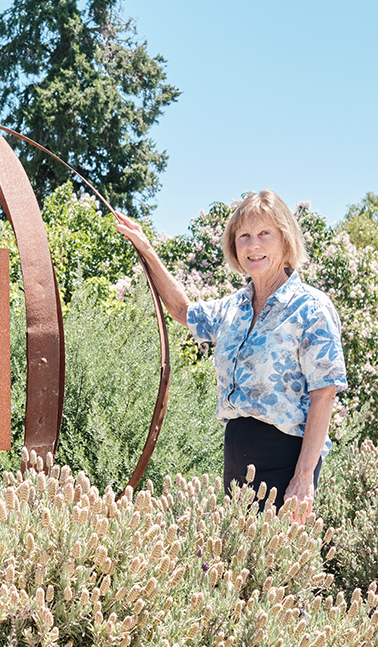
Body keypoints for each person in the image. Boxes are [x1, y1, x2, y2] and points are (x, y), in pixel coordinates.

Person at [115, 190, 347, 515]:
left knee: (273, 562)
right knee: (235, 560)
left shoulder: (311, 308)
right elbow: (183, 310)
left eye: (265, 233)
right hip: (236, 455)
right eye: (244, 236)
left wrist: (304, 476)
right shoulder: (232, 308)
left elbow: (325, 394)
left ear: (285, 239)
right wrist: (146, 248)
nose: (253, 245)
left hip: (286, 459)